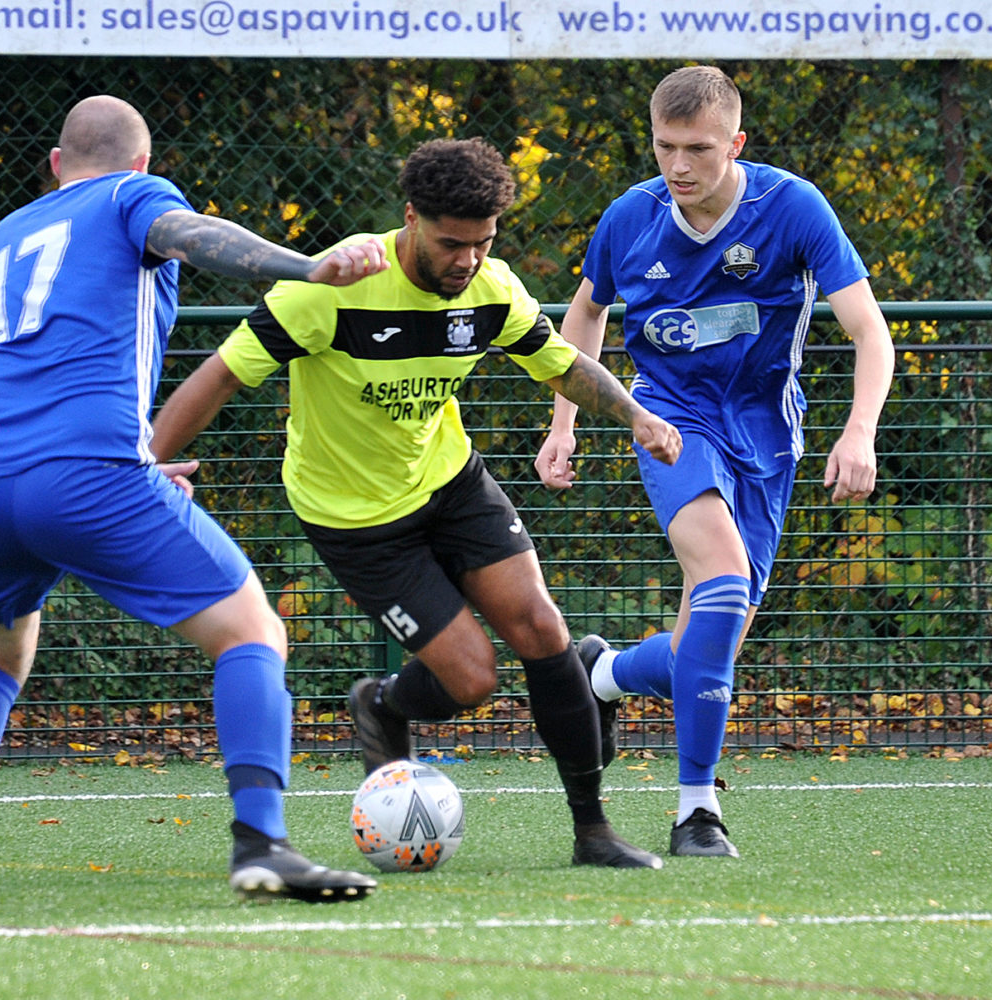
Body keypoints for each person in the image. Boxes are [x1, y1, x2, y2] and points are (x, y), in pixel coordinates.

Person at [0, 95, 389, 906]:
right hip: (83, 472)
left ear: (55, 165)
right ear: (143, 165)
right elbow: (195, 239)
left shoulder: (7, 234)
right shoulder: (132, 197)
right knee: (252, 630)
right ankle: (262, 842)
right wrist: (309, 268)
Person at [151, 137, 683, 870]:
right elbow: (218, 376)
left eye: (482, 243)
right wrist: (144, 463)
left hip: (449, 482)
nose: (466, 260)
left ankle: (592, 831)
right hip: (354, 517)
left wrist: (636, 417)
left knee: (539, 627)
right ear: (409, 219)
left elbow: (563, 364)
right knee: (470, 681)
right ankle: (384, 704)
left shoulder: (491, 290)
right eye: (450, 243)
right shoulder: (331, 286)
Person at [536, 66, 894, 859]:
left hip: (766, 433)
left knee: (714, 639)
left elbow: (869, 331)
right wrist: (564, 420)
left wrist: (858, 430)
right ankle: (695, 810)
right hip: (668, 419)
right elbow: (585, 314)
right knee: (723, 585)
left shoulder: (791, 207)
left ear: (734, 143)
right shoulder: (631, 217)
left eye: (697, 148)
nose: (678, 166)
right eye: (664, 146)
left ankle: (601, 676)